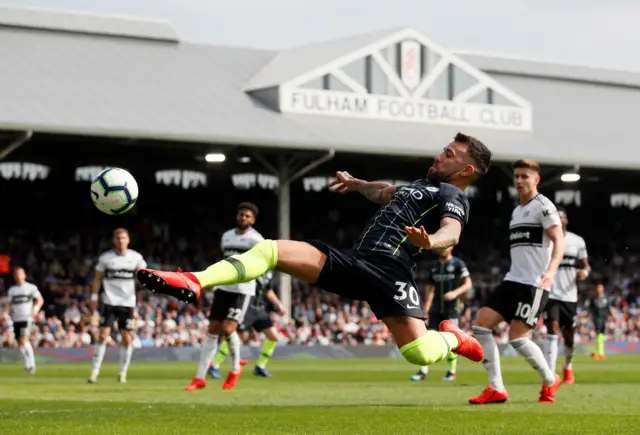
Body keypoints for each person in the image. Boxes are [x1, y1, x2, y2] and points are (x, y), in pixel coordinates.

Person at [138, 133, 492, 372]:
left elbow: (452, 232)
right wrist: (357, 185)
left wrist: (430, 242)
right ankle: (194, 281)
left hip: (391, 272)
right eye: (443, 148)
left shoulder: (453, 195)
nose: (439, 154)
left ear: (466, 170)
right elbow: (383, 192)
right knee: (269, 249)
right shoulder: (420, 186)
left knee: (418, 353)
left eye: (449, 154)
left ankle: (452, 337)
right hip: (357, 262)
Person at [469, 159, 565, 404]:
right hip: (512, 279)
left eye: (525, 176)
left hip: (534, 283)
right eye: (517, 176)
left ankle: (549, 379)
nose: (520, 181)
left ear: (536, 180)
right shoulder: (516, 211)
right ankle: (496, 387)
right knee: (481, 325)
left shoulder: (544, 206)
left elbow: (559, 241)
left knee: (518, 338)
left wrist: (551, 271)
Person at [185, 202, 264, 391]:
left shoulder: (257, 240)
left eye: (247, 216)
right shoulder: (226, 237)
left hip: (243, 290)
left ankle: (235, 369)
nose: (243, 218)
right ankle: (199, 378)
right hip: (224, 287)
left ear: (253, 220)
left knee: (228, 329)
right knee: (212, 329)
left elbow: (262, 264)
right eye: (241, 215)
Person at [88, 228, 147, 384]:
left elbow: (145, 274)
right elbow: (97, 279)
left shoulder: (136, 258)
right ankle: (94, 372)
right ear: (114, 240)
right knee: (102, 336)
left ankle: (122, 373)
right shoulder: (106, 258)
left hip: (127, 303)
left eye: (123, 238)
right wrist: (94, 297)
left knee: (127, 339)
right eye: (118, 238)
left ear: (128, 240)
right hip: (108, 301)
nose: (121, 241)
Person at [208, 271, 286, 378]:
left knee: (274, 337)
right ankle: (214, 366)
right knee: (238, 335)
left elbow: (268, 291)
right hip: (247, 307)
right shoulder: (253, 269)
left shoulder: (269, 273)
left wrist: (279, 304)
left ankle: (260, 366)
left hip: (260, 309)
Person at [543, 208, 590, 384]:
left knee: (569, 336)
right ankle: (550, 374)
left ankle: (568, 367)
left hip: (570, 295)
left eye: (562, 217)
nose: (560, 220)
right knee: (552, 330)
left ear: (567, 220)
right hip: (551, 292)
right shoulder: (546, 240)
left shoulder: (577, 241)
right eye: (557, 217)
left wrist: (584, 272)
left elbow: (586, 265)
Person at [410, 247, 472, 382]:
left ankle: (451, 371)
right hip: (435, 309)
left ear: (452, 247)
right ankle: (423, 371)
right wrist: (425, 308)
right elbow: (430, 289)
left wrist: (455, 293)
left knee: (451, 339)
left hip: (452, 308)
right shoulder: (434, 266)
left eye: (446, 246)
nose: (443, 249)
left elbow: (468, 284)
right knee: (427, 338)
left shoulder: (458, 264)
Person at [6, 267, 43, 374]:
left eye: (20, 273)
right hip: (16, 319)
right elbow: (9, 304)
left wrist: (35, 310)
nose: (18, 276)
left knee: (23, 339)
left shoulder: (30, 288)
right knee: (20, 342)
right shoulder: (12, 290)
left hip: (26, 318)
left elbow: (40, 299)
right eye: (16, 274)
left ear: (24, 275)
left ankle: (32, 365)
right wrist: (5, 312)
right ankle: (28, 365)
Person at [585, 283, 616, 360]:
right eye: (598, 288)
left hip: (604, 318)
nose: (599, 289)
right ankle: (601, 353)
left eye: (600, 288)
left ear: (603, 289)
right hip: (597, 318)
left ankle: (595, 352)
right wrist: (590, 316)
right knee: (599, 333)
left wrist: (613, 316)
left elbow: (609, 307)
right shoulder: (593, 299)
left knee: (602, 335)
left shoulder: (606, 298)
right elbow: (589, 308)